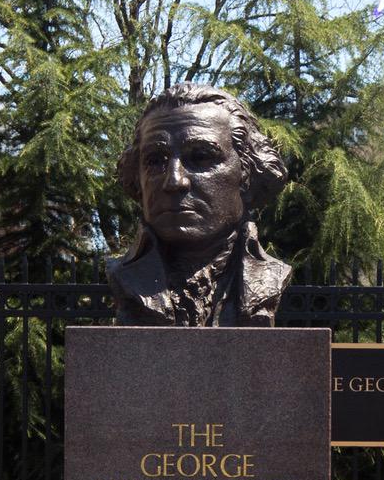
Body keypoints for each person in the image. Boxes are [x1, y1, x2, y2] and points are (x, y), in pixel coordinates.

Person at [108, 85, 290, 327]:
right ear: (137, 179)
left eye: (201, 157)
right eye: (155, 161)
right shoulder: (121, 276)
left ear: (246, 173)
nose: (174, 181)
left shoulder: (270, 276)